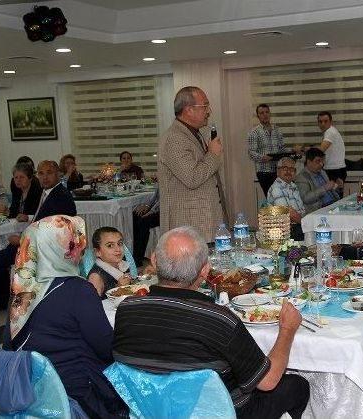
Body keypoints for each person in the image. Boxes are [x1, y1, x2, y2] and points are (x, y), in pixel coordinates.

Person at [113, 226, 310, 419]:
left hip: (151, 409)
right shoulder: (218, 319)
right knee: (297, 386)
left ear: (154, 261)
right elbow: (267, 381)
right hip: (222, 412)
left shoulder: (126, 308)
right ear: (205, 270)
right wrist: (287, 329)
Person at [3, 215, 127, 419]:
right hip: (74, 394)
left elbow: (9, 345)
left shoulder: (21, 291)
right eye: (74, 245)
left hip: (27, 391)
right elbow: (107, 349)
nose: (80, 250)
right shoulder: (78, 290)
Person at [0, 160, 77, 311]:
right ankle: (9, 297)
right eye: (41, 173)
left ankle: (1, 304)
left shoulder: (60, 196)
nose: (45, 177)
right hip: (37, 242)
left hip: (45, 248)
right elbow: (41, 221)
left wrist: (21, 239)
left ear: (58, 174)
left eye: (49, 173)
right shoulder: (50, 192)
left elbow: (53, 230)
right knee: (5, 250)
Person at [158, 86, 226, 242]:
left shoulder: (194, 133)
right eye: (205, 106)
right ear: (188, 110)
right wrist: (213, 154)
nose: (208, 111)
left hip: (202, 220)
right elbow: (192, 178)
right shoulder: (174, 139)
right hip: (188, 224)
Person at [247, 104, 302, 197]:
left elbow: (281, 149)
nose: (265, 115)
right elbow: (251, 153)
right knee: (272, 198)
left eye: (267, 112)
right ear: (258, 116)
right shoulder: (254, 132)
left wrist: (292, 150)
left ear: (270, 114)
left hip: (278, 171)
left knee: (282, 196)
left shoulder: (277, 130)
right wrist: (262, 157)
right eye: (262, 113)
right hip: (264, 172)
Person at [267, 157, 306, 241]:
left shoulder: (293, 186)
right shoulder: (277, 188)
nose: (288, 171)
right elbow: (289, 214)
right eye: (285, 168)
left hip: (297, 227)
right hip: (285, 232)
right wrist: (308, 225)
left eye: (292, 169)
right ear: (278, 171)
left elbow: (301, 210)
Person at [87, 227, 133, 297]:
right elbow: (92, 305)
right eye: (110, 245)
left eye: (120, 243)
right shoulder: (96, 277)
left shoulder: (122, 264)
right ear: (98, 252)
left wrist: (143, 275)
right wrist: (118, 290)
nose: (118, 249)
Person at [295, 147, 341, 213]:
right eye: (318, 161)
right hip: (319, 210)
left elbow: (331, 191)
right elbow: (305, 198)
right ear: (309, 162)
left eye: (322, 161)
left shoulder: (322, 172)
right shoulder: (301, 177)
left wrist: (338, 186)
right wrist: (325, 188)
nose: (321, 164)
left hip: (333, 205)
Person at [316, 111, 347, 183]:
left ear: (331, 122)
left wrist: (303, 149)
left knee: (333, 194)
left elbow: (320, 150)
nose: (323, 124)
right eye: (320, 122)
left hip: (334, 170)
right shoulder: (331, 131)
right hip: (336, 169)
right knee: (334, 194)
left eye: (325, 121)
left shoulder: (330, 132)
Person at [132, 187, 159, 265]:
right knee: (135, 215)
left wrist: (151, 211)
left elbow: (162, 201)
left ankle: (138, 259)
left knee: (143, 221)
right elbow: (155, 196)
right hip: (155, 209)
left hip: (163, 211)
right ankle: (135, 253)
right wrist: (147, 205)